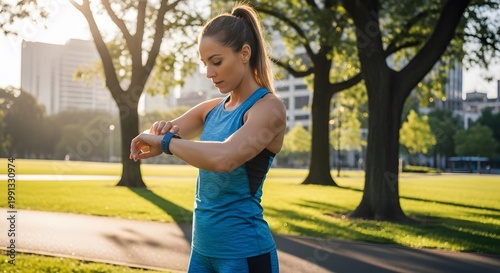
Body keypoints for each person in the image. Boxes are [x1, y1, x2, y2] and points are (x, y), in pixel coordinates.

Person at [129, 4, 286, 273]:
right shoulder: (211, 109)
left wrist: (166, 143)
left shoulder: (268, 109)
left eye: (217, 61)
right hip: (202, 253)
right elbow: (163, 135)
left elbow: (224, 158)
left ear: (244, 53)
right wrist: (158, 135)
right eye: (204, 64)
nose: (209, 73)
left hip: (245, 255)